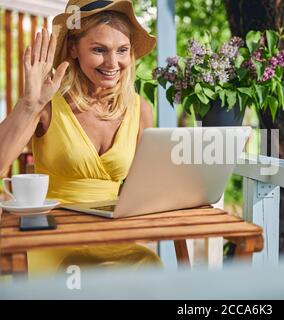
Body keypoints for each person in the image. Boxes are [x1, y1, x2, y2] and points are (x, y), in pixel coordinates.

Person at [0, 0, 162, 275]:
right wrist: (29, 104)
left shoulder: (139, 109)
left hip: (114, 238)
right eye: (99, 50)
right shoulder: (46, 105)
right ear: (74, 48)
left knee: (151, 267)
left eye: (122, 50)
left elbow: (144, 190)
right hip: (54, 238)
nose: (113, 63)